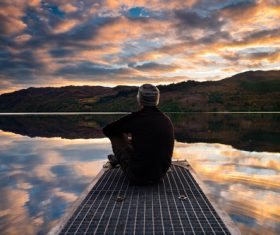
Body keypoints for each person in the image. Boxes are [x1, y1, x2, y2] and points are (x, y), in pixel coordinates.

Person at [102, 84, 174, 185]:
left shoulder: (135, 119)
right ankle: (125, 158)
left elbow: (107, 130)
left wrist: (127, 138)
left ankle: (119, 159)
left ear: (140, 99)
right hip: (160, 175)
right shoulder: (166, 120)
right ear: (157, 99)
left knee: (116, 134)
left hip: (137, 177)